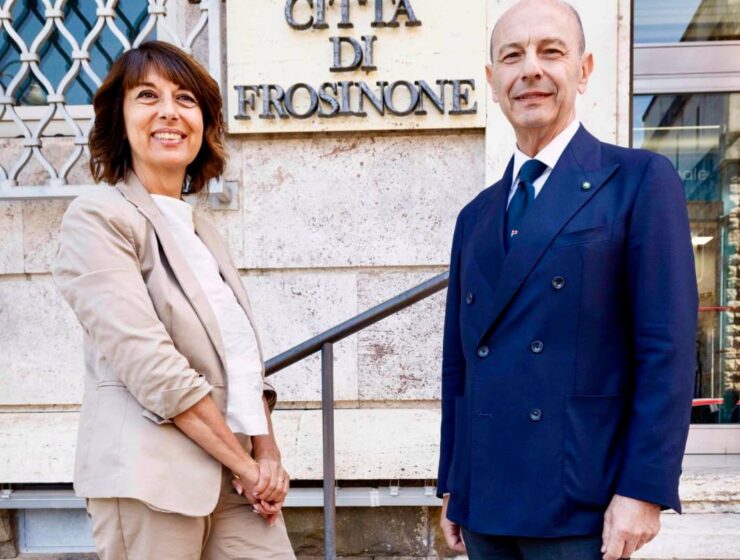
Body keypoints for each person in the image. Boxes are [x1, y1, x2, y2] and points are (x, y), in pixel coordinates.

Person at [436, 1, 698, 559]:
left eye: (550, 51)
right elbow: (459, 365)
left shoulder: (639, 181)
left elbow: (666, 351)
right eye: (512, 56)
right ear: (493, 80)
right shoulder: (474, 216)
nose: (530, 69)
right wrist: (455, 481)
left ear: (584, 69)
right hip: (485, 500)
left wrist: (644, 487)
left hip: (581, 499)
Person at [53, 41, 296, 559]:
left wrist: (267, 453)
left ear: (203, 123)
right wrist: (247, 466)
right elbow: (151, 365)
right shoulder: (98, 217)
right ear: (120, 120)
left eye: (185, 99)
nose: (169, 111)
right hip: (152, 479)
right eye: (147, 96)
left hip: (235, 479)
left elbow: (241, 361)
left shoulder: (203, 231)